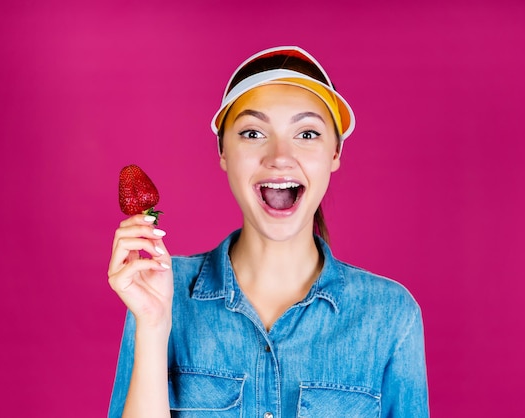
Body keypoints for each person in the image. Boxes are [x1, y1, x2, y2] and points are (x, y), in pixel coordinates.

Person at [108, 46, 429, 418]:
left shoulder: (390, 316)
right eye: (253, 132)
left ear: (335, 153)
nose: (279, 156)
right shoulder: (161, 291)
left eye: (307, 134)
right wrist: (153, 325)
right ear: (223, 152)